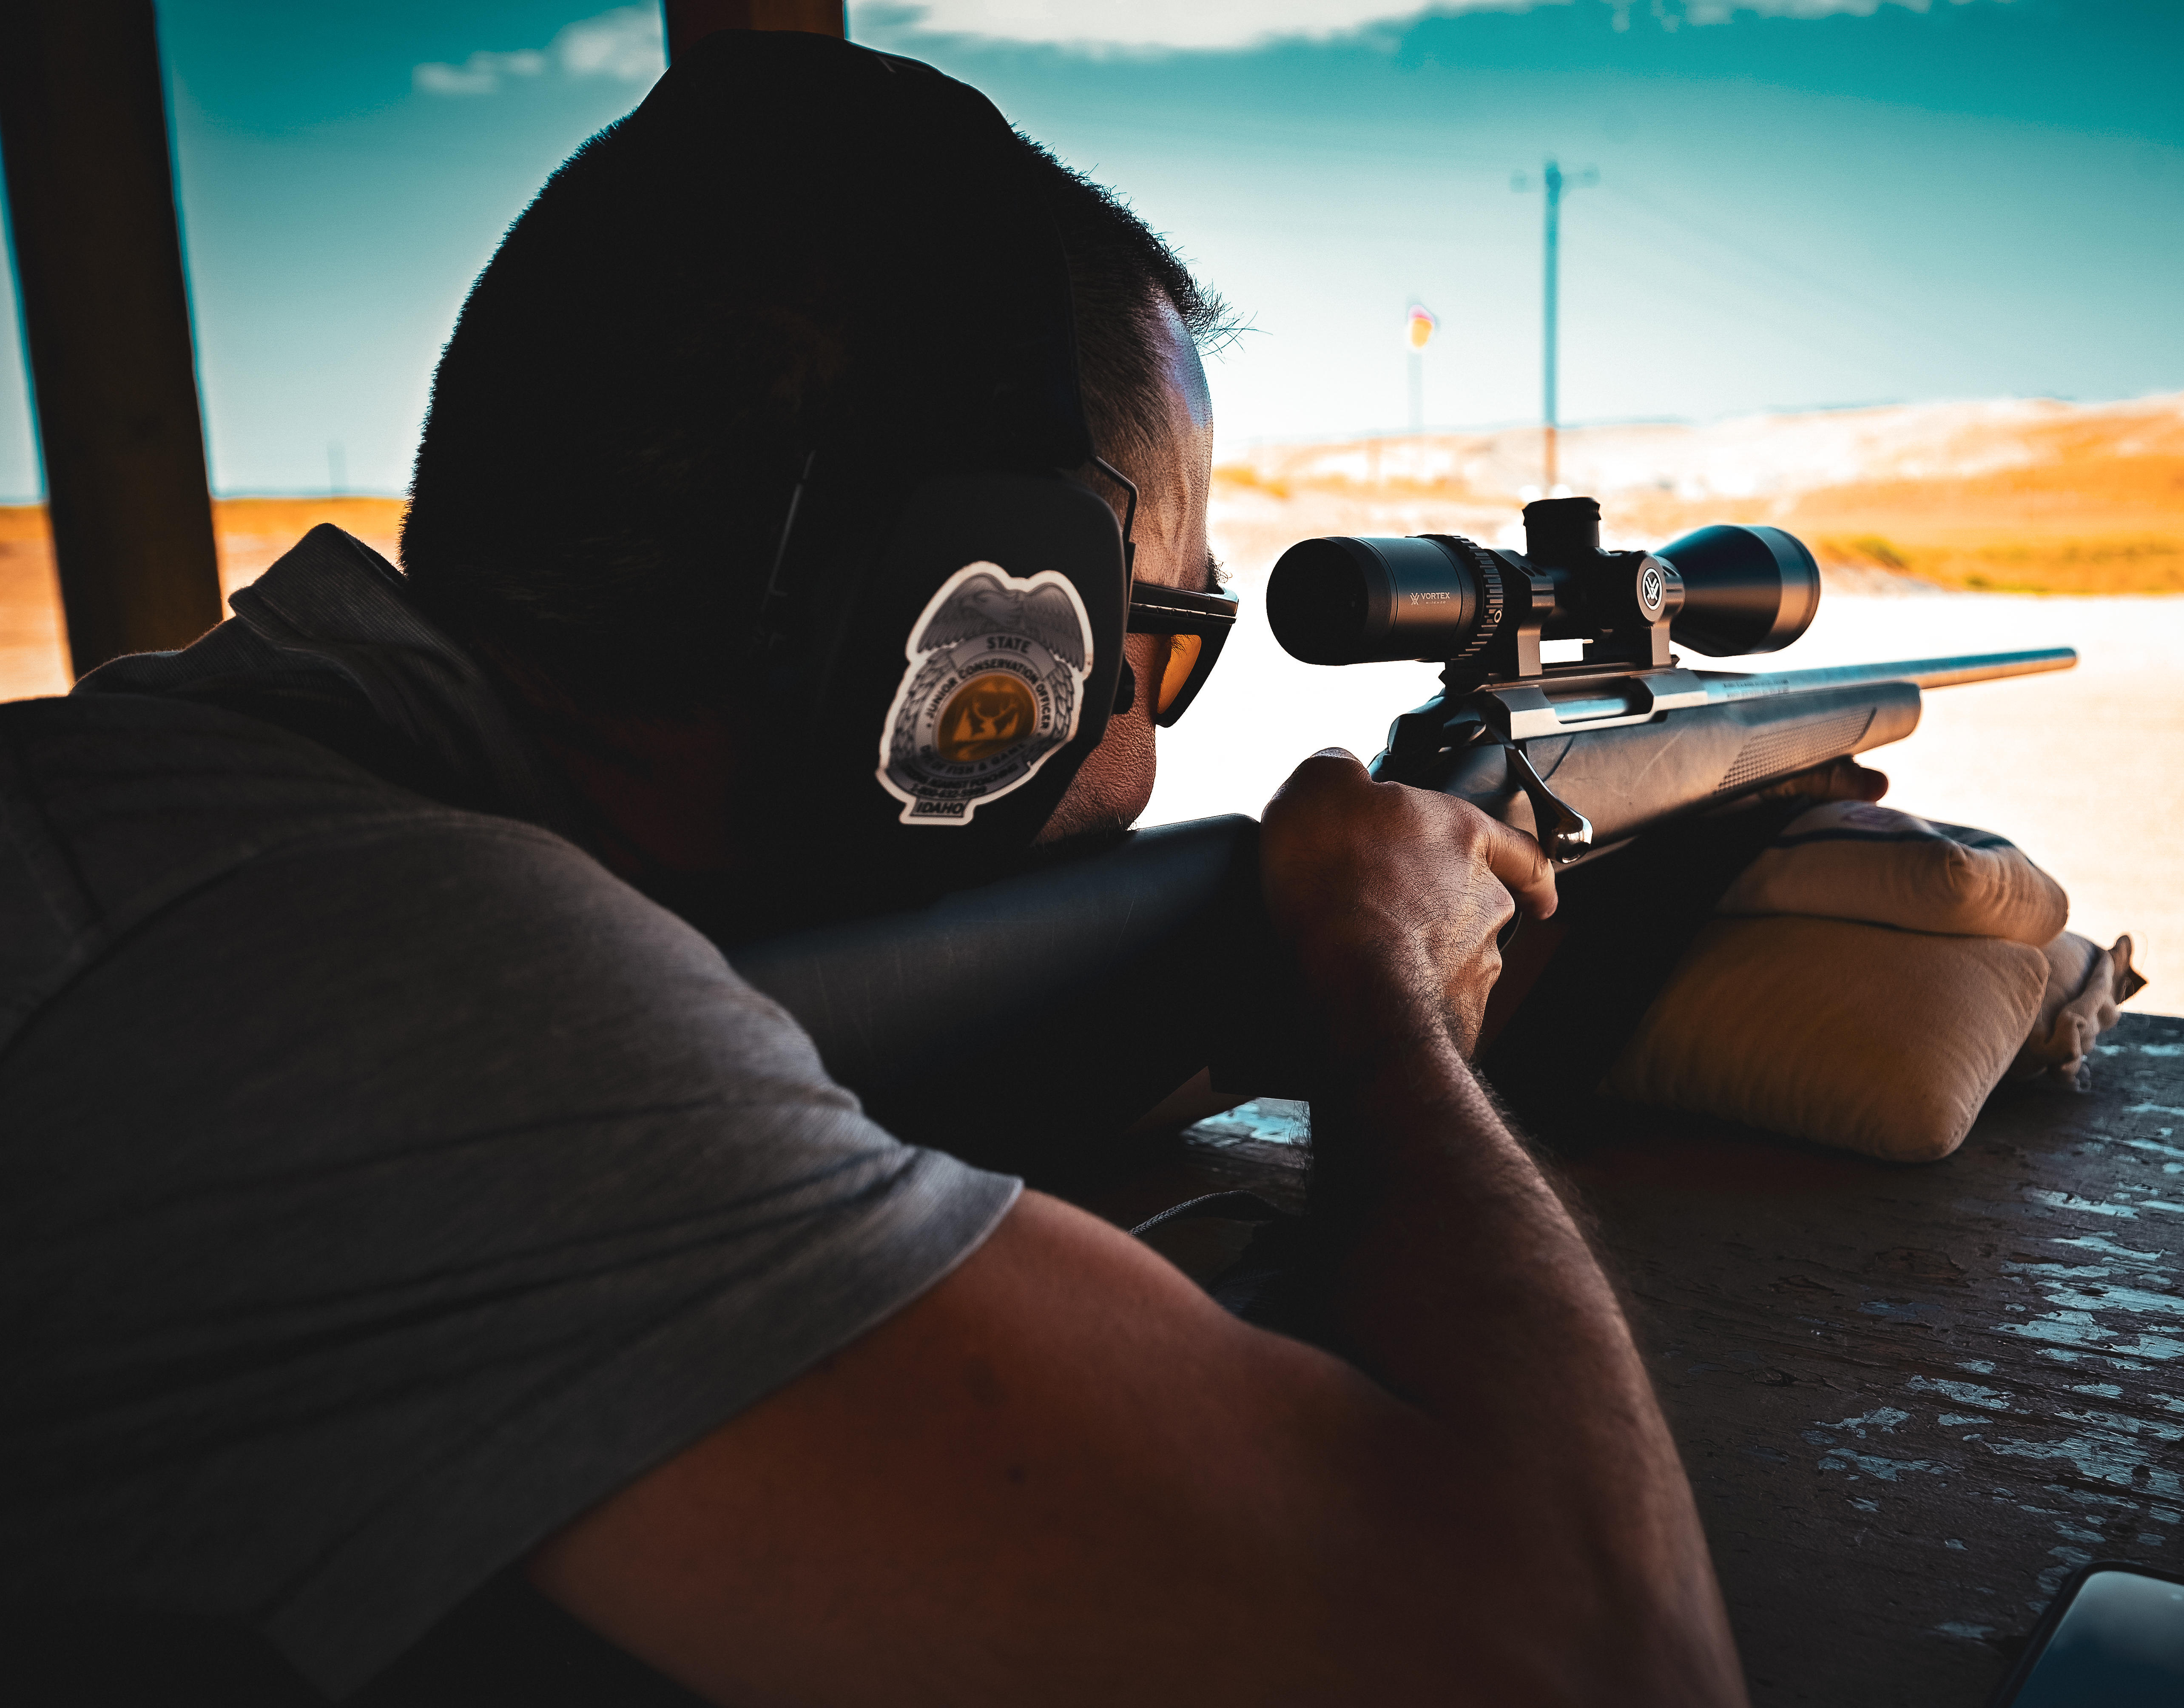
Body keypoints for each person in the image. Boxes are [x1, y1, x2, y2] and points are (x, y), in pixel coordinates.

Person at [0, 33, 1750, 1707]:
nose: (1142, 761)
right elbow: (1587, 1657)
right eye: (1156, 642)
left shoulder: (210, 809)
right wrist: (1377, 978)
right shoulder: (398, 980)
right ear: (957, 641)